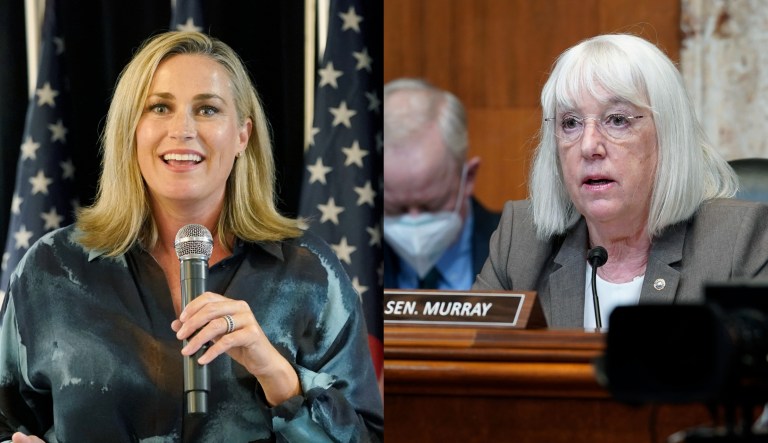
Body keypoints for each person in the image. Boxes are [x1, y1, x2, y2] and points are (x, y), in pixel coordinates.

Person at [0, 31, 383, 442]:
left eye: (207, 109)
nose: (182, 129)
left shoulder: (309, 273)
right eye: (160, 107)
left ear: (242, 135)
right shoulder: (51, 268)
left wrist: (276, 374)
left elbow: (367, 436)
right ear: (131, 130)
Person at [473, 33, 768, 329]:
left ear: (668, 136)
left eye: (617, 120)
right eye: (570, 123)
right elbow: (469, 362)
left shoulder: (740, 241)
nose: (589, 146)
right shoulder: (522, 239)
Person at [383, 78, 501, 290]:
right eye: (396, 209)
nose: (414, 222)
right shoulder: (353, 259)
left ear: (468, 178)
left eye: (431, 205)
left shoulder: (522, 253)